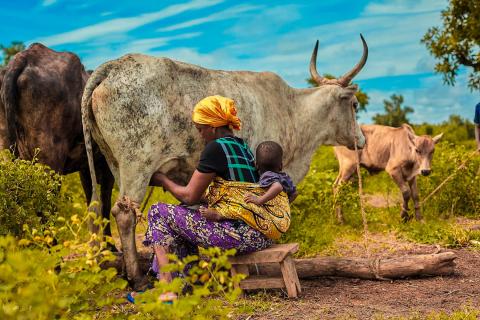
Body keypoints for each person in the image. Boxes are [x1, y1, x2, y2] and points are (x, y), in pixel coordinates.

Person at [134, 95, 273, 303]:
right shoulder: (242, 147)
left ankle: (166, 288)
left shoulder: (215, 148)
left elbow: (190, 195)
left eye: (201, 129)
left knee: (158, 211)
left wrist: (163, 180)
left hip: (239, 235)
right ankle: (189, 283)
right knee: (181, 216)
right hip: (259, 232)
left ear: (214, 127)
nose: (200, 135)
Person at [200, 141, 297, 221]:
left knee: (244, 204)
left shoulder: (267, 176)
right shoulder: (285, 177)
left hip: (271, 217)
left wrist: (260, 200)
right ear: (281, 165)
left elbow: (277, 187)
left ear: (256, 165)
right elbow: (294, 194)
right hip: (282, 217)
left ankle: (220, 215)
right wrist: (285, 205)